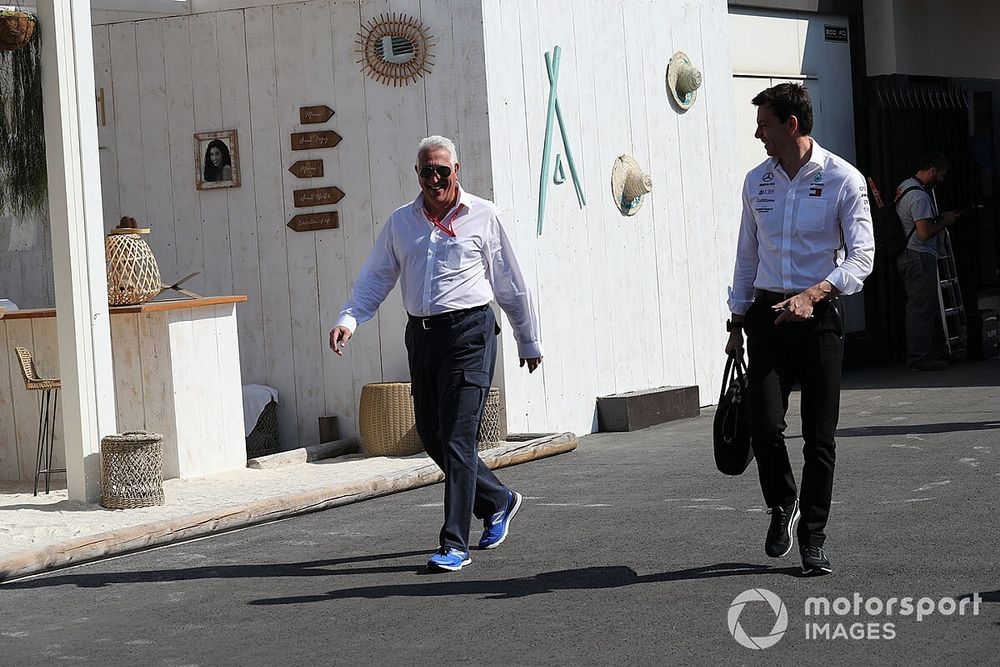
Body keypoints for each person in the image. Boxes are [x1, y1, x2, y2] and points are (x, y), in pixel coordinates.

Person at [329, 135, 543, 572]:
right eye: (426, 171)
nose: (434, 179)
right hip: (422, 337)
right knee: (431, 433)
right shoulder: (401, 222)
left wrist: (528, 338)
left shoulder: (483, 215)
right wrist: (349, 320)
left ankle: (454, 544)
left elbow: (509, 282)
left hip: (470, 333)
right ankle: (498, 499)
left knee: (459, 436)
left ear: (456, 171)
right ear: (417, 174)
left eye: (442, 170)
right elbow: (376, 277)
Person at [725, 83, 874, 576]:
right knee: (765, 426)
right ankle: (782, 504)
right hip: (767, 317)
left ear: (792, 125)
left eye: (765, 124)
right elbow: (747, 255)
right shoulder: (755, 181)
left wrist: (815, 294)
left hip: (820, 319)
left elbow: (862, 259)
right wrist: (736, 318)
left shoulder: (842, 179)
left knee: (819, 438)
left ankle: (813, 539)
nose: (757, 133)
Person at [895, 152, 962, 371]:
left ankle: (930, 352)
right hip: (919, 254)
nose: (941, 179)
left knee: (923, 305)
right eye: (940, 174)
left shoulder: (905, 187)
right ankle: (919, 356)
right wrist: (946, 221)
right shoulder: (920, 197)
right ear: (932, 170)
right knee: (921, 306)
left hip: (908, 255)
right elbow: (924, 232)